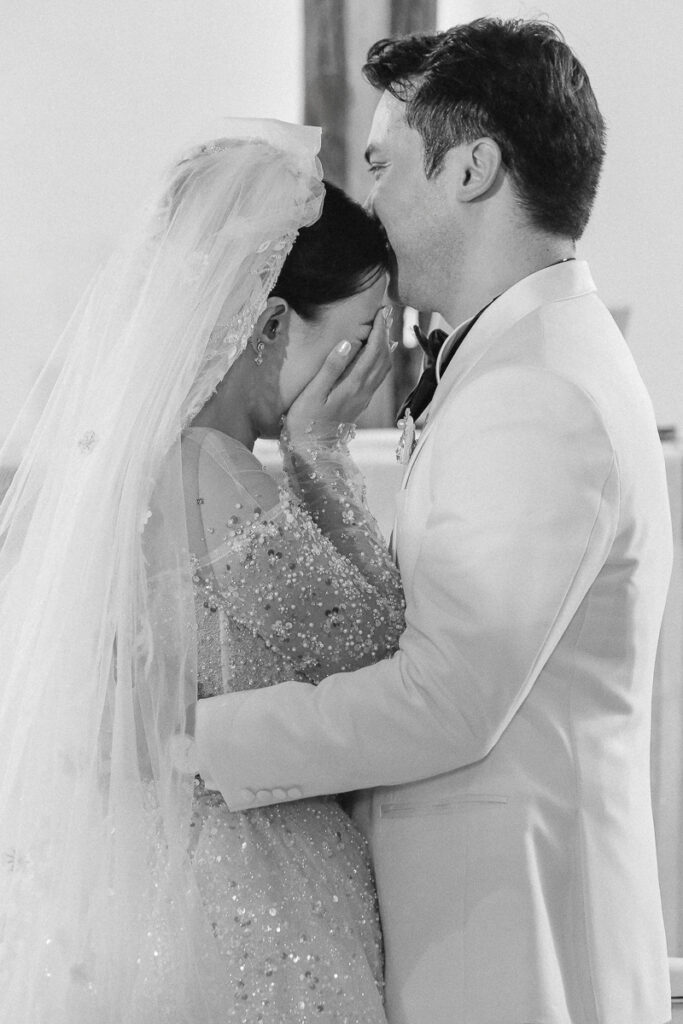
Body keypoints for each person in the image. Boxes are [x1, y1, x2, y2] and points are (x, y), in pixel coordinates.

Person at [192, 20, 674, 1024]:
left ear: (469, 168)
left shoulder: (536, 390)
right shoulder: (523, 359)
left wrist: (197, 741)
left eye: (382, 164)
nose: (368, 203)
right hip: (480, 916)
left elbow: (444, 698)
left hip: (504, 939)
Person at [0, 119, 403, 1023]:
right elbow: (382, 648)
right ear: (272, 324)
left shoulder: (155, 465)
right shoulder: (213, 469)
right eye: (360, 337)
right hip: (252, 897)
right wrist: (322, 451)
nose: (372, 370)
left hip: (189, 879)